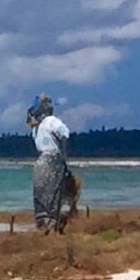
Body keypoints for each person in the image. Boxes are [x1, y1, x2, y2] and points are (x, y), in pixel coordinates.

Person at [26, 94, 79, 232]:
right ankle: (52, 226)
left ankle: (42, 225)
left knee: (40, 196)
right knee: (53, 195)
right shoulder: (52, 121)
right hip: (53, 161)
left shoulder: (36, 128)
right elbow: (65, 133)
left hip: (40, 163)